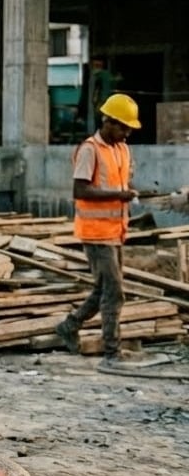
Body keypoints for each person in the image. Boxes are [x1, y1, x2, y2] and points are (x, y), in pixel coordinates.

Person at [54, 93, 149, 369]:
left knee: (103, 289)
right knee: (115, 291)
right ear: (108, 122)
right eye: (124, 127)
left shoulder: (122, 148)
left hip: (116, 231)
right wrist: (119, 195)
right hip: (95, 233)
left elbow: (121, 183)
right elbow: (80, 189)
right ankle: (112, 351)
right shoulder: (89, 149)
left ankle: (69, 326)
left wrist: (127, 195)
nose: (127, 132)